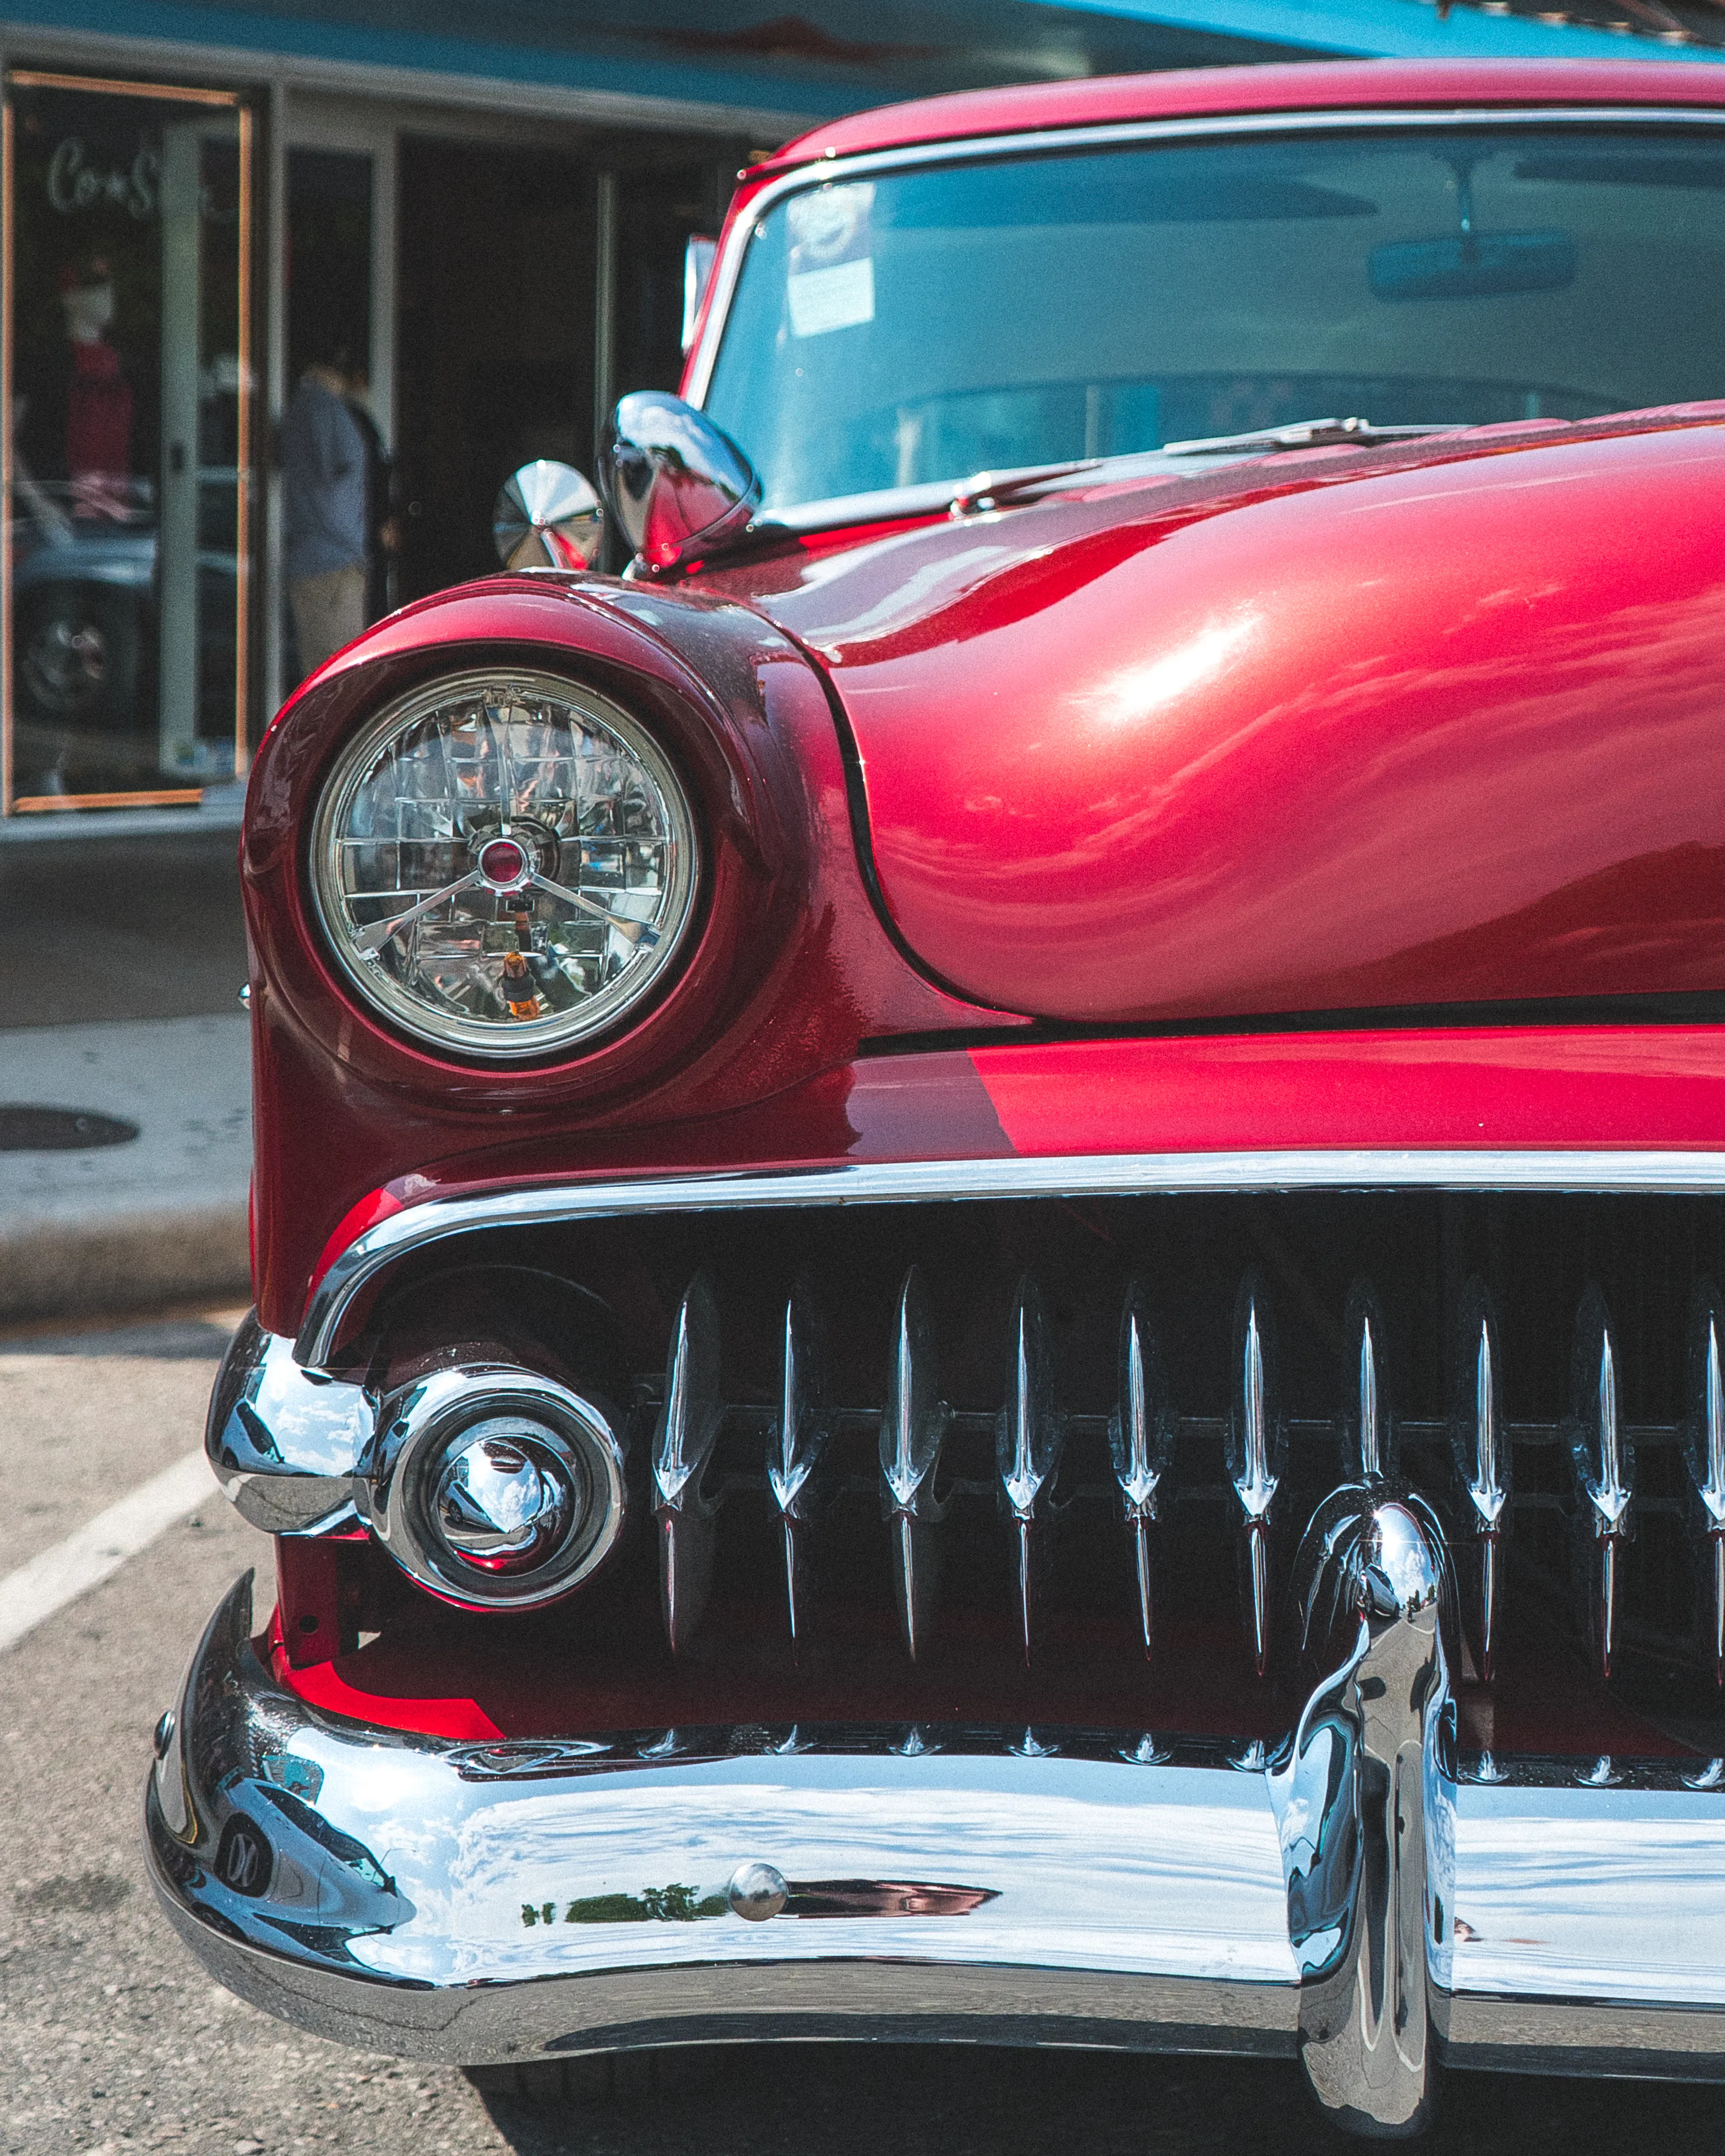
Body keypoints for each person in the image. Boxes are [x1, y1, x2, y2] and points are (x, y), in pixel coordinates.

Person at [282, 345, 368, 678]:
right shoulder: (325, 410)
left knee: (318, 665)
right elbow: (333, 476)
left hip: (313, 555)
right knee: (340, 671)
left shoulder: (301, 409)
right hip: (332, 559)